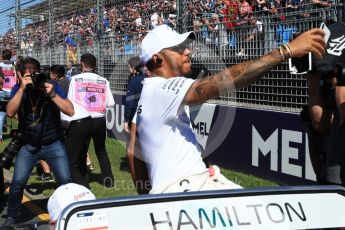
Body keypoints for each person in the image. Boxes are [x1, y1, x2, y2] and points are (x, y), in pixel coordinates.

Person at [130, 24, 326, 194]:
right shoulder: (163, 89)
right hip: (186, 193)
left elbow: (133, 151)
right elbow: (223, 81)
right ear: (157, 59)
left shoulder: (149, 94)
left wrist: (149, 201)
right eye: (179, 48)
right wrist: (286, 51)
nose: (187, 51)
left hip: (181, 192)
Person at [2, 57, 74, 227]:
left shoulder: (50, 85)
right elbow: (10, 112)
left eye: (34, 72)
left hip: (53, 143)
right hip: (29, 145)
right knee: (18, 181)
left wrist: (53, 94)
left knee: (65, 180)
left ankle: (70, 214)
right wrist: (21, 89)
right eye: (27, 72)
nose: (31, 76)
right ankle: (12, 215)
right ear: (19, 75)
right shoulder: (18, 88)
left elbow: (70, 111)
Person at [63, 53, 114, 188]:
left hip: (82, 120)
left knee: (81, 151)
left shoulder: (75, 79)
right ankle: (109, 181)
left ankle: (83, 183)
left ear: (82, 64)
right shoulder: (104, 81)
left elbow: (70, 102)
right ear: (95, 65)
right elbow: (111, 103)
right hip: (99, 120)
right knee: (101, 150)